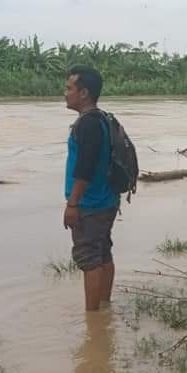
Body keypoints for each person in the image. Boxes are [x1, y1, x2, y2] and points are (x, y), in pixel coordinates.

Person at [63, 65, 119, 311]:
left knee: (89, 260)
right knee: (103, 253)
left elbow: (84, 168)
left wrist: (72, 204)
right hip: (107, 200)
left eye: (69, 88)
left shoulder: (87, 124)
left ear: (83, 93)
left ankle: (93, 319)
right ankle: (105, 307)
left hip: (90, 205)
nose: (65, 93)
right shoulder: (103, 119)